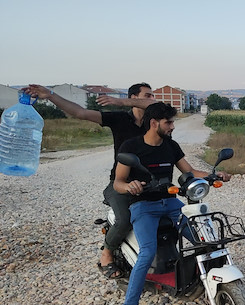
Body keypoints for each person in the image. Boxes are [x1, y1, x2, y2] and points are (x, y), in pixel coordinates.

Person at [112, 102, 230, 305]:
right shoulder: (131, 147)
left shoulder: (171, 146)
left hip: (172, 203)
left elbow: (189, 170)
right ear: (154, 122)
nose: (172, 126)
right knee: (147, 253)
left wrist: (213, 175)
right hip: (143, 205)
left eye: (173, 122)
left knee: (206, 239)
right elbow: (118, 182)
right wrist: (129, 186)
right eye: (169, 122)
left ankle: (210, 281)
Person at [25, 83, 156, 280]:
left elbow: (158, 104)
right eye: (147, 95)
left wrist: (121, 101)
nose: (150, 99)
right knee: (124, 220)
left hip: (151, 183)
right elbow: (80, 112)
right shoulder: (120, 118)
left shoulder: (155, 121)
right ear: (134, 96)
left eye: (151, 96)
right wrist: (50, 95)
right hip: (120, 182)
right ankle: (107, 254)